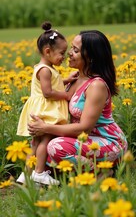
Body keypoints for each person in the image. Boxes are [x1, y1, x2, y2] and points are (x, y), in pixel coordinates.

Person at [28, 30, 128, 178]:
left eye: (75, 50)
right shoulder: (74, 80)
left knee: (54, 146)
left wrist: (45, 127)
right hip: (81, 140)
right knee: (42, 148)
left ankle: (102, 173)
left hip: (106, 142)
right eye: (71, 48)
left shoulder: (96, 86)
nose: (69, 53)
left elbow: (85, 128)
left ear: (91, 57)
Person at [16, 21, 77, 185]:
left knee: (35, 142)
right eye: (61, 53)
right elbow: (48, 92)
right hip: (45, 109)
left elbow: (52, 84)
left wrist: (66, 79)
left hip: (39, 108)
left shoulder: (44, 68)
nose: (64, 57)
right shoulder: (45, 70)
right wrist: (66, 95)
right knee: (46, 139)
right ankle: (39, 172)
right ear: (48, 51)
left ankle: (26, 174)